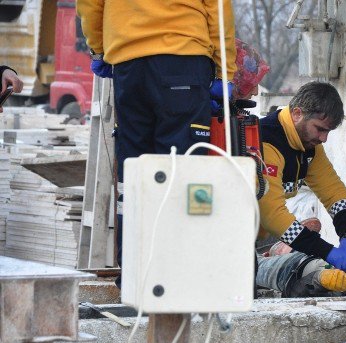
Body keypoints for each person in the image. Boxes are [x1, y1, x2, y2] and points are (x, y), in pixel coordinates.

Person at [77, 0, 237, 284]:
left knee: (135, 173)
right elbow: (219, 9)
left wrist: (99, 50)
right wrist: (225, 71)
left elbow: (90, 4)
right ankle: (176, 278)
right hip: (183, 58)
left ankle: (135, 278)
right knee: (181, 172)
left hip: (129, 65)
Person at [258, 82, 346, 274]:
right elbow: (272, 215)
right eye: (320, 129)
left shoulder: (307, 144)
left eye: (328, 131)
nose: (324, 138)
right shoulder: (268, 142)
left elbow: (333, 191)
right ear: (297, 114)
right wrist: (326, 251)